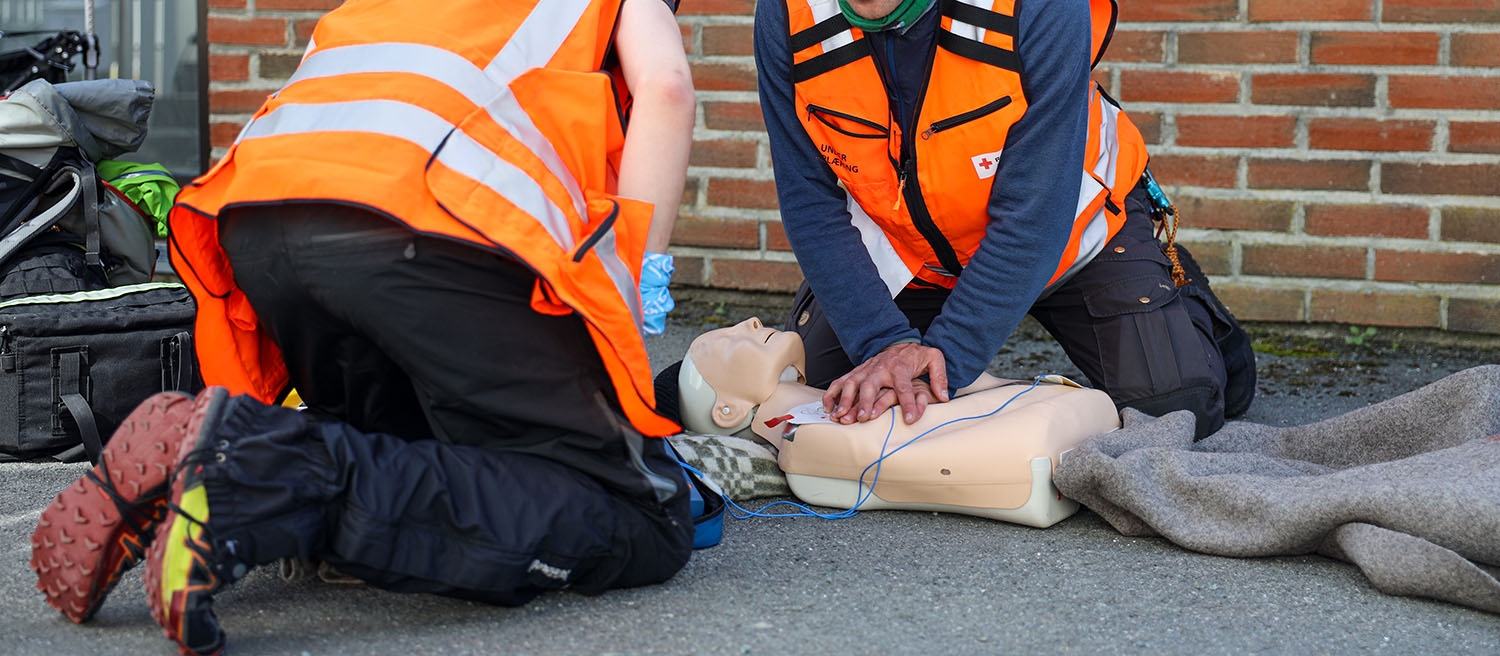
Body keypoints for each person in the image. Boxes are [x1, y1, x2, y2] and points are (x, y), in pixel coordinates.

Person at [30, 1, 696, 654]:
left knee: (407, 448)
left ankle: (205, 447)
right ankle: (261, 469)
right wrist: (640, 277)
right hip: (417, 222)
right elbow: (666, 88)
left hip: (263, 217)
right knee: (637, 516)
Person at [753, 0, 1256, 439]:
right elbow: (810, 203)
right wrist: (884, 343)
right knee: (823, 397)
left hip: (1071, 235)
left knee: (1174, 412)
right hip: (916, 254)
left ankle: (1175, 297)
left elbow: (1033, 217)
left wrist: (941, 362)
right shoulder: (787, 13)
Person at [675, 317, 1119, 527]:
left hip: (1044, 416)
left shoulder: (835, 399)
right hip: (1030, 439)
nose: (749, 321)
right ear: (727, 410)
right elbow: (1007, 449)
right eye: (727, 341)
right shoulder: (802, 442)